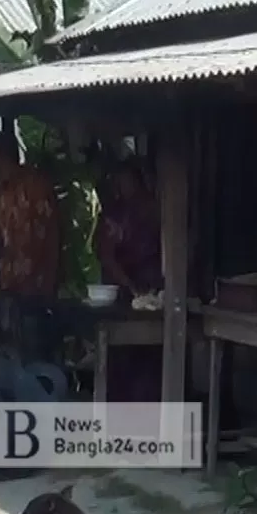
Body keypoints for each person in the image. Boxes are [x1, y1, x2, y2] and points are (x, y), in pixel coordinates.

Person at [0, 131, 60, 363]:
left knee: (36, 358)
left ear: (3, 158)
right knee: (11, 355)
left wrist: (48, 283)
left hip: (37, 289)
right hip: (9, 289)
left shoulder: (37, 186)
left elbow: (52, 235)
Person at [95, 159, 163, 401]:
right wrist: (129, 286)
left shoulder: (155, 209)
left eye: (128, 181)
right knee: (122, 355)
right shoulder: (114, 214)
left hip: (154, 292)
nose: (124, 186)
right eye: (120, 181)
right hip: (123, 292)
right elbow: (105, 254)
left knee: (152, 357)